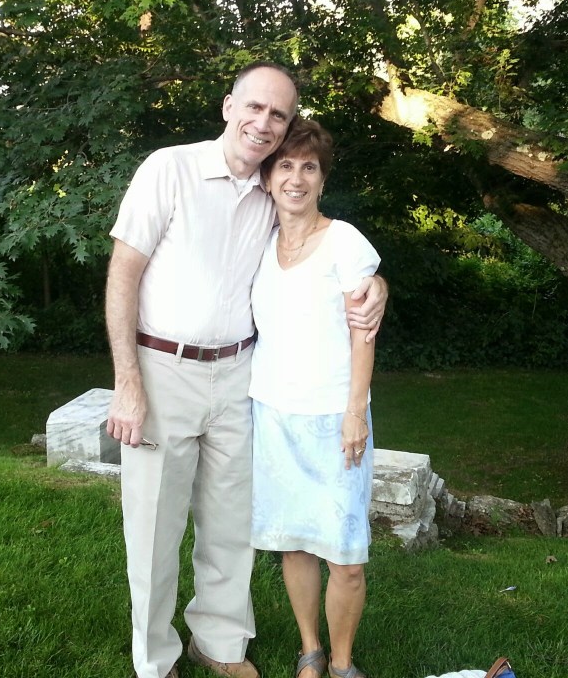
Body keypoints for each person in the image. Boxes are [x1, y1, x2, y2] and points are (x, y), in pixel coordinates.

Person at [104, 62, 387, 678]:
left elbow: (325, 249)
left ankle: (221, 643)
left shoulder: (268, 191)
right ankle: (155, 661)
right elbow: (122, 272)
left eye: (278, 115)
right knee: (153, 529)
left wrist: (377, 285)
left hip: (240, 376)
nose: (264, 123)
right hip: (162, 369)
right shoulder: (169, 169)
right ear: (228, 107)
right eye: (254, 108)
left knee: (231, 524)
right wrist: (127, 381)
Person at [248, 118, 378, 678]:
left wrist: (355, 413)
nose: (296, 178)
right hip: (273, 412)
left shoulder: (344, 240)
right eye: (285, 165)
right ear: (269, 177)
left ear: (323, 180)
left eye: (309, 167)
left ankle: (344, 663)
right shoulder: (257, 241)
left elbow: (363, 328)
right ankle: (311, 652)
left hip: (334, 418)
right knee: (294, 543)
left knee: (345, 556)